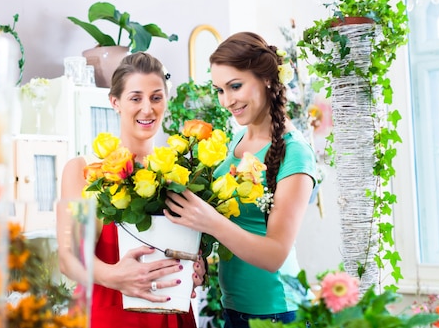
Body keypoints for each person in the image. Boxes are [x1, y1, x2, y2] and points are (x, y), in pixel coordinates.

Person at [164, 32, 318, 328]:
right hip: (234, 309)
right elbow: (231, 226)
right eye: (220, 90)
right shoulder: (237, 139)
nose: (227, 101)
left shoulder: (295, 153)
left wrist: (208, 221)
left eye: (235, 86)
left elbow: (275, 254)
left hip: (278, 313)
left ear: (267, 79)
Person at [58, 52, 205, 328]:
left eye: (156, 97)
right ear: (115, 102)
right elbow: (68, 258)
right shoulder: (82, 171)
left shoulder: (178, 174)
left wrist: (196, 268)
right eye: (136, 98)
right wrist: (114, 276)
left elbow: (186, 246)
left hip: (171, 315)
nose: (147, 109)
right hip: (107, 316)